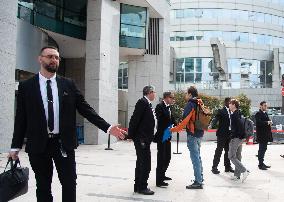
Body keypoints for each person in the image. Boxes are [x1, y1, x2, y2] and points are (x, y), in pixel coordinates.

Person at [8, 46, 126, 202]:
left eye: (57, 57)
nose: (54, 60)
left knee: (69, 183)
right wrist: (15, 146)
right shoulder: (27, 86)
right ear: (40, 59)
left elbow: (86, 109)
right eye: (50, 56)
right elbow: (21, 118)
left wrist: (108, 127)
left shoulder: (68, 84)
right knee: (43, 186)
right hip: (38, 145)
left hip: (63, 143)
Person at [171, 86, 204, 189]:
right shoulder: (200, 103)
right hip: (199, 134)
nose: (185, 95)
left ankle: (198, 182)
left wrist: (172, 129)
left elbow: (184, 121)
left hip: (193, 135)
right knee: (198, 157)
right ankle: (200, 178)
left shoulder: (190, 104)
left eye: (186, 93)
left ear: (190, 94)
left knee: (195, 159)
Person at [128, 85, 157, 195]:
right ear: (149, 92)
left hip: (145, 138)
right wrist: (130, 135)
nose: (155, 94)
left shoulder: (148, 104)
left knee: (141, 162)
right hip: (142, 138)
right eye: (153, 92)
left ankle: (138, 186)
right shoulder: (142, 102)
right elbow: (134, 119)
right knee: (145, 163)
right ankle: (142, 187)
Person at [154, 92, 176, 187]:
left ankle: (162, 175)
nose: (173, 99)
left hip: (167, 135)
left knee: (167, 157)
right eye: (171, 98)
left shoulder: (169, 107)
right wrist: (169, 125)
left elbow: (171, 119)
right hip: (162, 135)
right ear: (166, 98)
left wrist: (176, 125)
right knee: (161, 158)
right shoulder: (159, 106)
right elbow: (160, 120)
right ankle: (159, 180)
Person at [228, 99, 249, 183]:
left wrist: (235, 136)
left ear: (234, 105)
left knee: (231, 156)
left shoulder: (234, 115)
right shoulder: (238, 113)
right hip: (240, 137)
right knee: (238, 156)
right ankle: (237, 175)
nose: (229, 105)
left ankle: (244, 171)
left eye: (230, 104)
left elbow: (239, 127)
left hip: (236, 137)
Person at [211, 97, 234, 174]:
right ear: (226, 103)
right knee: (219, 151)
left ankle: (227, 167)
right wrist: (211, 125)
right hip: (221, 135)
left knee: (228, 152)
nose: (231, 104)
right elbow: (215, 118)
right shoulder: (221, 111)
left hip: (229, 134)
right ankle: (214, 167)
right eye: (230, 102)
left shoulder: (232, 111)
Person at [255, 101, 272, 170]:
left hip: (266, 135)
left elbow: (267, 122)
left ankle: (262, 163)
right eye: (264, 105)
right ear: (260, 106)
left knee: (264, 149)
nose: (266, 107)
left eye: (266, 106)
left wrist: (270, 122)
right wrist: (267, 122)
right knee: (261, 149)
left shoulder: (265, 113)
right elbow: (259, 123)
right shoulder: (258, 114)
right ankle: (260, 164)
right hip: (261, 135)